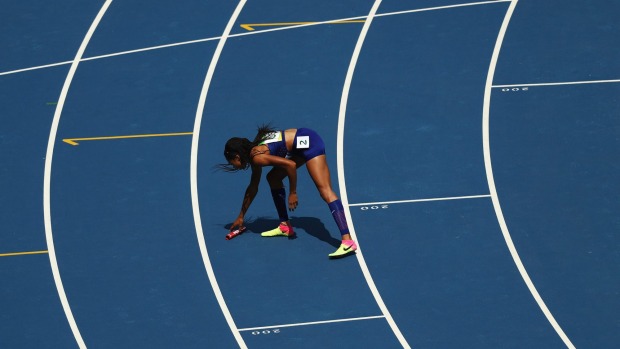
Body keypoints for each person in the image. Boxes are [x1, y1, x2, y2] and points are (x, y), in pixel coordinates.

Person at [221, 125, 357, 258]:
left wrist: (293, 193)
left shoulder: (258, 157)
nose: (233, 165)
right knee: (273, 177)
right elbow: (253, 187)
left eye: (231, 162)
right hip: (300, 144)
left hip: (310, 142)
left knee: (325, 191)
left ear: (238, 157)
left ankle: (347, 240)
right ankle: (285, 225)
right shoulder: (254, 153)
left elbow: (290, 165)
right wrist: (241, 216)